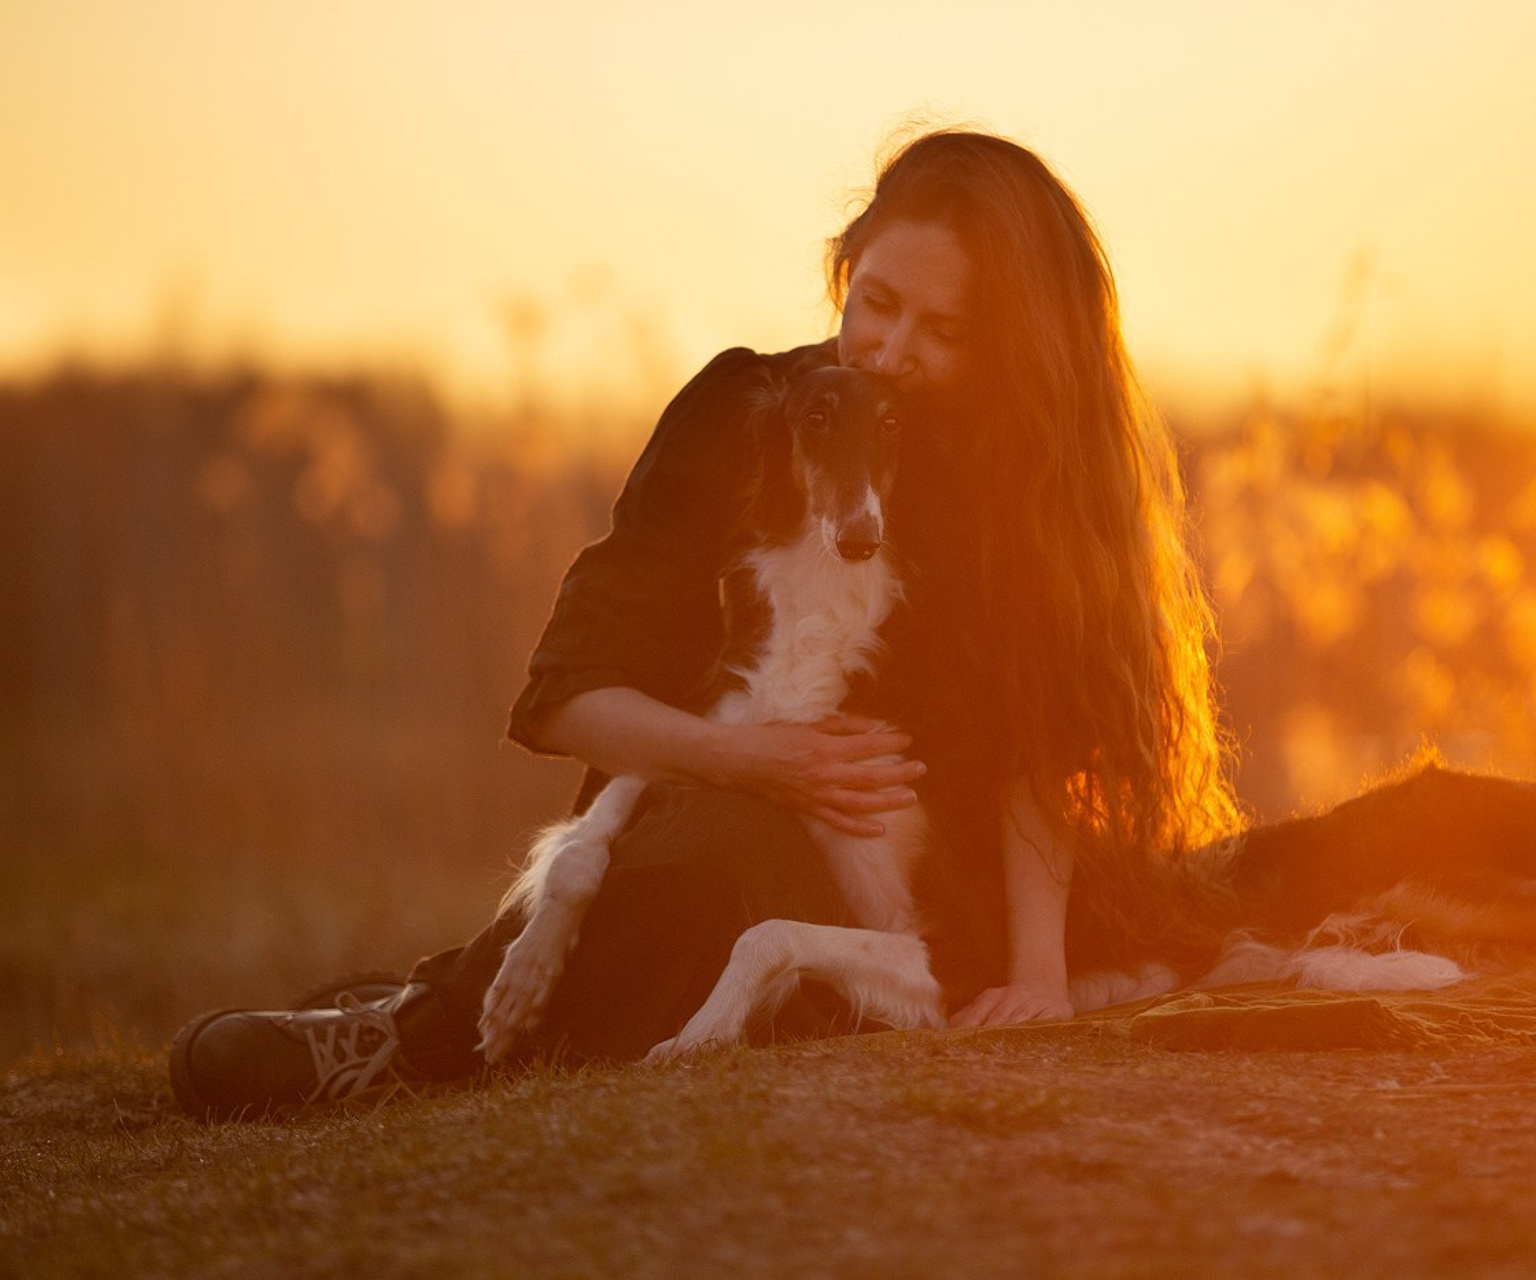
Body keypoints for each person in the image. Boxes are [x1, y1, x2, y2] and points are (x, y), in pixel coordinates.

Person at [168, 128, 1244, 1119]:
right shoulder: (741, 412)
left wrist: (1038, 977)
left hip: (905, 899)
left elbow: (1038, 748)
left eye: (944, 331)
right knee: (716, 852)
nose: (890, 348)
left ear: (1010, 346)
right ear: (844, 271)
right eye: (877, 303)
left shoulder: (1026, 491)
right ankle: (410, 1030)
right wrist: (748, 756)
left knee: (749, 901)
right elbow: (571, 696)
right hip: (687, 825)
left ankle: (431, 1026)